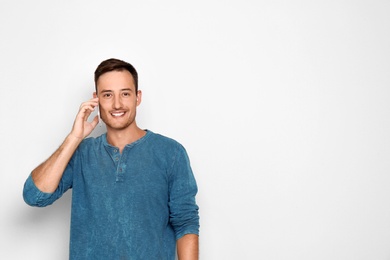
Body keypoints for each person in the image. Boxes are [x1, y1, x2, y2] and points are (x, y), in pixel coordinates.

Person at [23, 58, 200, 259]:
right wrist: (74, 138)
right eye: (107, 95)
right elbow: (35, 196)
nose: (117, 104)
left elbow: (185, 223)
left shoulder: (171, 153)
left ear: (137, 97)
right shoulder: (82, 153)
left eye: (125, 93)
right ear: (95, 99)